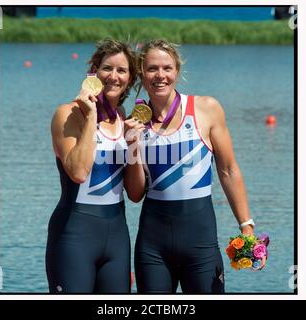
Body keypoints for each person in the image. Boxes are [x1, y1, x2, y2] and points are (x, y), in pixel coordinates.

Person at [124, 39, 265, 294]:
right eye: (152, 68)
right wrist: (132, 145)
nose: (160, 75)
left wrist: (247, 226)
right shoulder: (133, 123)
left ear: (176, 70)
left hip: (201, 246)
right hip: (152, 249)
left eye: (167, 68)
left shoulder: (206, 109)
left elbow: (228, 170)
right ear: (141, 75)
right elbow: (134, 195)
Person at [46, 39, 138, 293]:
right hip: (74, 235)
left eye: (122, 71)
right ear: (94, 72)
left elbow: (134, 192)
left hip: (117, 237)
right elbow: (78, 172)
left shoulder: (123, 116)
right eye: (107, 68)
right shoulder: (68, 114)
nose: (114, 76)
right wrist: (92, 117)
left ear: (130, 79)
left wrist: (135, 145)